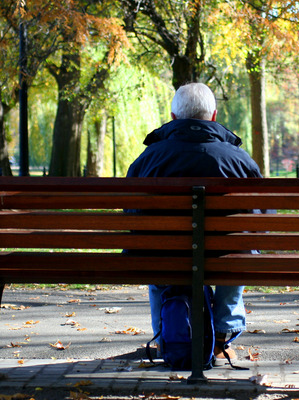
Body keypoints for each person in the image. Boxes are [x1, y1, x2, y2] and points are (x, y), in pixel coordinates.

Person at [126, 82, 262, 363]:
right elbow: (261, 224)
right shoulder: (239, 161)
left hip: (165, 259)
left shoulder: (148, 160)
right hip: (223, 260)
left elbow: (132, 219)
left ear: (173, 118)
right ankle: (222, 335)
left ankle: (167, 337)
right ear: (213, 117)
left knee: (151, 255)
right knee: (242, 252)